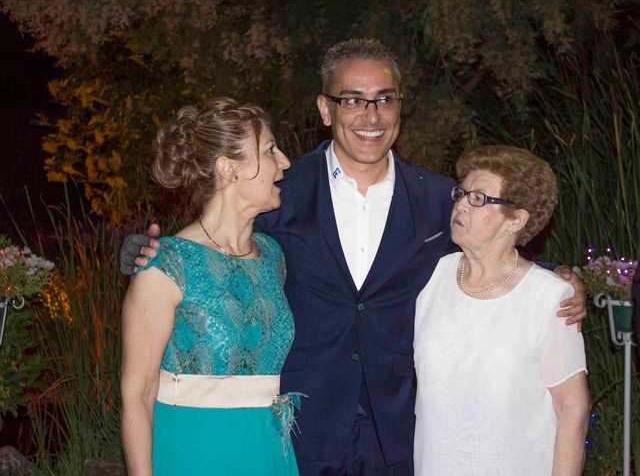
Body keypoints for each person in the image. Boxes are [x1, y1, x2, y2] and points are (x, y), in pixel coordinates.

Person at [121, 39, 588, 475]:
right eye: (354, 99)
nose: (372, 114)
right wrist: (139, 251)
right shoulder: (280, 194)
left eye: (386, 99)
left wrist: (556, 279)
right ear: (326, 109)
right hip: (297, 433)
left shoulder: (438, 199)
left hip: (401, 436)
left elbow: (489, 252)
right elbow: (215, 248)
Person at [119, 97, 301, 475]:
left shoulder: (272, 255)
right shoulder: (165, 265)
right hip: (195, 451)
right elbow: (137, 394)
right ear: (228, 168)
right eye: (269, 150)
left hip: (269, 451)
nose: (284, 162)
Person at [414, 145, 590, 475]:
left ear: (516, 219)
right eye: (461, 193)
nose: (460, 205)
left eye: (478, 198)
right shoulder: (433, 278)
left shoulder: (549, 297)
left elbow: (572, 407)